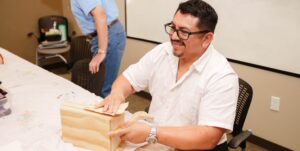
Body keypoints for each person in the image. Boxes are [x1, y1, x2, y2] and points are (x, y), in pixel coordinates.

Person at [96, 0, 239, 150]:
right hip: (159, 140)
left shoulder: (222, 76)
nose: (174, 37)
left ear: (206, 39)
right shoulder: (162, 52)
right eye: (172, 27)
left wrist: (151, 133)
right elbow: (128, 79)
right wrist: (117, 94)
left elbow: (208, 137)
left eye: (184, 32)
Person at [70, 0, 126, 97]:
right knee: (104, 85)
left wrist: (101, 51)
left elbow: (100, 15)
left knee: (102, 89)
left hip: (108, 35)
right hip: (110, 33)